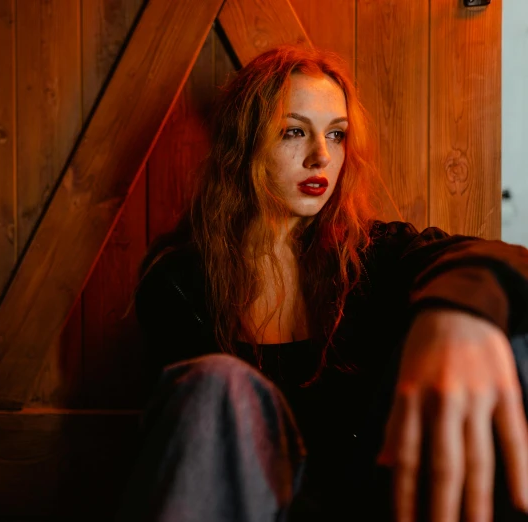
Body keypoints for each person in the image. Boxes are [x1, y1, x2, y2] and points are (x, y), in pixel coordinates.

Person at [115, 44, 528, 521]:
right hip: (251, 505)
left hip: (376, 501)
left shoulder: (375, 253)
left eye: (337, 135)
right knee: (215, 383)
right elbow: (198, 451)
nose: (321, 157)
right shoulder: (180, 282)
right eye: (294, 132)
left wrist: (457, 316)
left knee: (508, 334)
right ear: (244, 142)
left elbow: (503, 258)